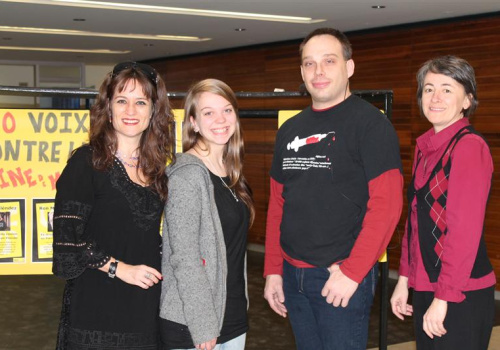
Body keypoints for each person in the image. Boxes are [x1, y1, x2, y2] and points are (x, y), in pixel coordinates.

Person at [263, 27, 403, 350]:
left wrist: (353, 273)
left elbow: (387, 205)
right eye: (309, 64)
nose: (319, 71)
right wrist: (273, 270)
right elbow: (277, 205)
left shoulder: (372, 125)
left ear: (349, 67)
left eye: (329, 61)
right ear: (301, 72)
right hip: (292, 277)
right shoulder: (289, 130)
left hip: (338, 277)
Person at [52, 61, 176, 350]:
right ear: (108, 108)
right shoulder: (85, 163)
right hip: (98, 305)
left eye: (140, 102)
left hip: (145, 306)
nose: (130, 111)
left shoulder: (158, 168)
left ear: (153, 111)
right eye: (122, 100)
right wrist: (118, 268)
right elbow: (67, 239)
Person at [390, 55, 496, 350]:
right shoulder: (426, 148)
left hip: (460, 293)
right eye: (428, 89)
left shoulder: (469, 147)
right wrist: (404, 281)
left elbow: (463, 233)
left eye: (447, 89)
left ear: (467, 100)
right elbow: (415, 221)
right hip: (428, 287)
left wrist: (444, 296)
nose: (435, 97)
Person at [159, 79, 254, 350]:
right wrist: (203, 325)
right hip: (194, 322)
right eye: (208, 112)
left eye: (227, 110)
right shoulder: (187, 175)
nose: (220, 119)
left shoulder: (230, 172)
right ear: (194, 123)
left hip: (231, 314)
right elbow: (185, 256)